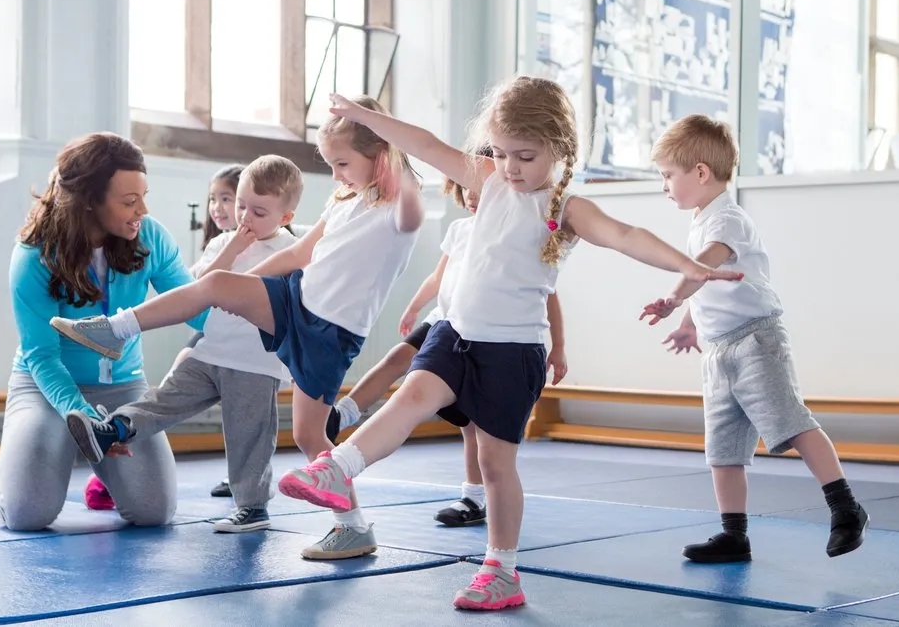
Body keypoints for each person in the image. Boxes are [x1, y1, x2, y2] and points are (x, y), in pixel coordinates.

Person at [276, 77, 743, 610]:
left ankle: (502, 570)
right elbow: (425, 144)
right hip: (456, 333)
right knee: (408, 398)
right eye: (500, 153)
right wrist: (368, 121)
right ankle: (338, 469)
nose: (510, 167)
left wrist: (690, 267)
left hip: (512, 351)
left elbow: (627, 236)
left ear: (559, 149)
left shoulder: (566, 208)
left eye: (524, 155)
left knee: (497, 466)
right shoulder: (490, 179)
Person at [50, 95, 424, 560]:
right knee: (216, 284)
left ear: (382, 155)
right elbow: (297, 255)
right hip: (294, 301)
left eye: (342, 163)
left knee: (310, 436)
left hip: (330, 332)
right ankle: (113, 330)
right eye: (330, 164)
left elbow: (405, 187)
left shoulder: (400, 211)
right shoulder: (344, 199)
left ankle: (353, 527)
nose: (336, 175)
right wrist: (238, 287)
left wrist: (379, 126)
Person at [639, 114, 868, 565]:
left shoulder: (730, 219)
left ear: (700, 172)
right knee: (723, 449)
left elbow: (703, 267)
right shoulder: (703, 219)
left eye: (668, 175)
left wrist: (671, 297)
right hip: (719, 349)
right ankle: (734, 535)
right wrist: (688, 322)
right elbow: (709, 282)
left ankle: (846, 507)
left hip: (755, 342)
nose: (664, 185)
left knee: (791, 422)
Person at [64, 156, 300, 533]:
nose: (245, 218)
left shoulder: (290, 251)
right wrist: (233, 246)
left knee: (247, 434)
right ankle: (112, 430)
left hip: (256, 361)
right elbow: (198, 288)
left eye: (258, 211)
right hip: (210, 351)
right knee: (164, 398)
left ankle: (253, 507)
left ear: (285, 217)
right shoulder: (222, 243)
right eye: (240, 206)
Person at [330, 174, 568, 528]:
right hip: (445, 321)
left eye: (480, 190)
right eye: (466, 190)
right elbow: (437, 278)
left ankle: (473, 497)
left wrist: (559, 347)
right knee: (396, 360)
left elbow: (548, 294)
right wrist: (413, 308)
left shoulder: (517, 235)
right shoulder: (459, 229)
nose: (472, 197)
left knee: (473, 424)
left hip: (486, 335)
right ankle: (343, 413)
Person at [0, 132, 197, 531]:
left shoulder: (150, 236)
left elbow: (194, 305)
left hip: (123, 387)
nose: (143, 208)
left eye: (143, 195)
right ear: (89, 199)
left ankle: (101, 475)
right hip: (45, 386)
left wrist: (258, 329)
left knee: (154, 512)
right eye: (129, 201)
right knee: (27, 515)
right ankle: (17, 470)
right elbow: (42, 356)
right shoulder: (34, 255)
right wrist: (87, 422)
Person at [86, 163, 246, 509]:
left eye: (227, 199)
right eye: (213, 199)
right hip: (214, 329)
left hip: (246, 338)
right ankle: (110, 460)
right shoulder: (218, 244)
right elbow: (196, 290)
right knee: (177, 376)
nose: (217, 207)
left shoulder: (274, 244)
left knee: (243, 402)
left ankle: (243, 476)